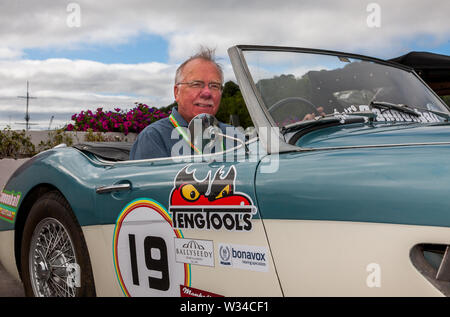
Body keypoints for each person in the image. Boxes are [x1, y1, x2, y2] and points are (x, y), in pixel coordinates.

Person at [130, 48, 237, 160]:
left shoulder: (234, 136)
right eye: (196, 84)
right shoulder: (154, 137)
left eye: (214, 86)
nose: (207, 93)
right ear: (177, 92)